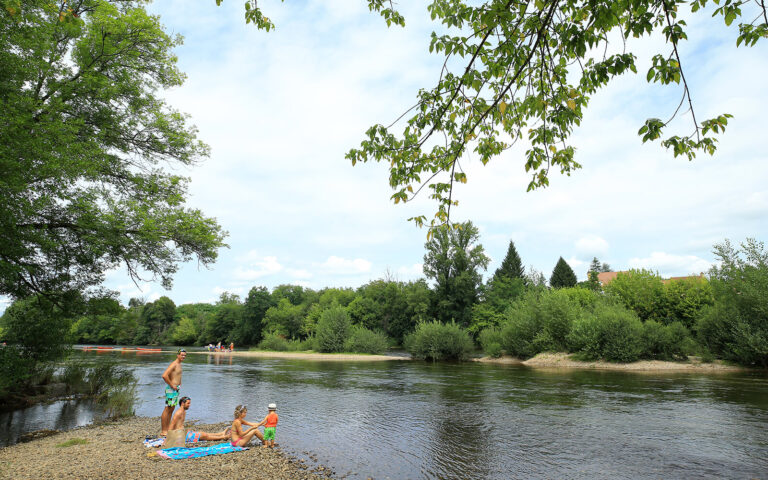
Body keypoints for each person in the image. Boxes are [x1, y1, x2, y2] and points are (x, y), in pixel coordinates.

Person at [165, 397, 231, 447]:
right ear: (182, 403)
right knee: (204, 435)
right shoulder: (178, 413)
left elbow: (179, 425)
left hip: (183, 433)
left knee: (202, 433)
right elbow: (171, 426)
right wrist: (167, 439)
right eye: (188, 403)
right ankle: (223, 437)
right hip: (180, 436)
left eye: (189, 403)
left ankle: (221, 433)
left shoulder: (183, 412)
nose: (189, 405)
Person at [160, 348, 186, 435]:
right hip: (171, 389)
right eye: (182, 355)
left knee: (171, 408)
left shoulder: (179, 364)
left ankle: (167, 429)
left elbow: (177, 375)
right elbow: (164, 375)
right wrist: (172, 385)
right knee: (168, 408)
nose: (183, 356)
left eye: (184, 355)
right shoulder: (174, 364)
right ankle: (164, 431)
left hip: (175, 389)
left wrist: (180, 383)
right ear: (177, 355)